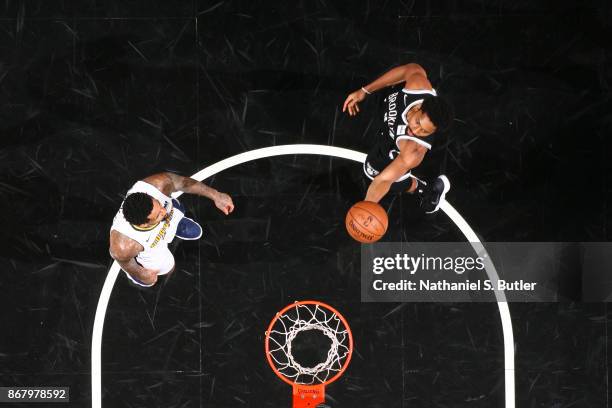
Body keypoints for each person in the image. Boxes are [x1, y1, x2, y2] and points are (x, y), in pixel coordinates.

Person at [342, 63, 454, 212]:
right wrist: (364, 91)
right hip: (386, 120)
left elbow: (384, 180)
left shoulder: (414, 150)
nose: (416, 131)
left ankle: (426, 190)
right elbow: (410, 69)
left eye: (425, 132)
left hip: (395, 144)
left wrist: (365, 209)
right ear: (418, 107)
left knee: (373, 171)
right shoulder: (417, 86)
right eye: (418, 123)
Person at [109, 172, 234, 287]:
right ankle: (136, 277)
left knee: (175, 208)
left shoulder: (158, 185)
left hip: (163, 222)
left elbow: (184, 182)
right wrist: (139, 273)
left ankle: (174, 225)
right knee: (168, 268)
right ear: (143, 224)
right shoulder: (125, 245)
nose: (163, 211)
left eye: (158, 203)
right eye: (158, 215)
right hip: (149, 245)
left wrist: (216, 195)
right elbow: (123, 260)